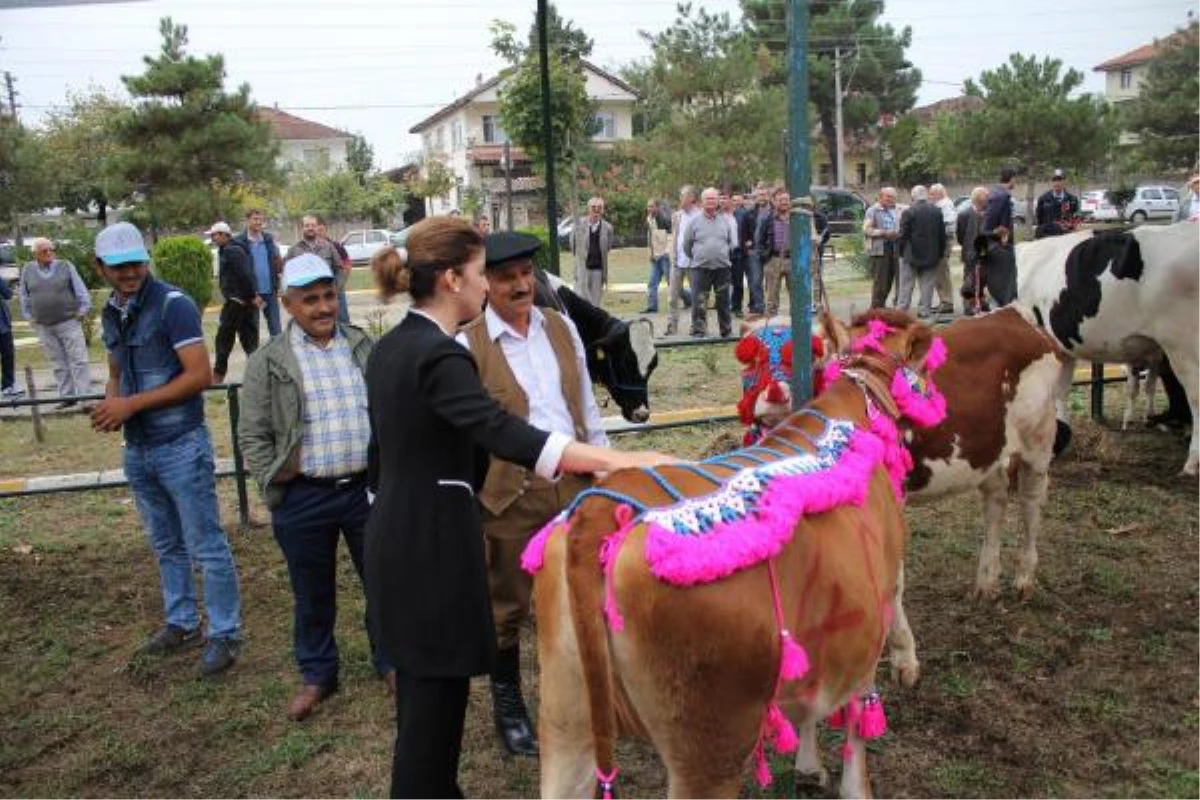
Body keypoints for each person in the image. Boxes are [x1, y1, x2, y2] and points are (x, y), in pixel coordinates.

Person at [365, 216, 673, 799]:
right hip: (430, 551)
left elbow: (386, 458)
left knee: (424, 722)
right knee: (432, 726)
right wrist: (617, 463)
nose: (490, 286)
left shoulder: (392, 348)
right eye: (483, 274)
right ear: (454, 279)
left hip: (398, 542)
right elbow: (505, 432)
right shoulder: (441, 356)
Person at [457, 231, 608, 757]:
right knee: (506, 608)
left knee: (582, 593)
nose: (521, 285)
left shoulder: (561, 327)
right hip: (510, 498)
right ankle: (509, 704)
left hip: (575, 488)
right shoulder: (467, 346)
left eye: (527, 273)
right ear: (484, 285)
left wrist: (606, 472)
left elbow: (585, 408)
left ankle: (578, 692)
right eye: (506, 277)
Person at [238, 253, 394, 721]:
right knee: (312, 591)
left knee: (384, 582)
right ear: (288, 304)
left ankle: (391, 662)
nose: (324, 307)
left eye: (329, 296)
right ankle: (318, 673)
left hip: (367, 492)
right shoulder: (269, 362)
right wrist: (276, 475)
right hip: (303, 496)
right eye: (311, 300)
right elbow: (253, 433)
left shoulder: (363, 345)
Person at [89, 221, 242, 676]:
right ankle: (181, 622)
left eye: (136, 261)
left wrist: (129, 404)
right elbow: (116, 367)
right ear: (101, 269)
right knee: (166, 543)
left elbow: (198, 376)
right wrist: (111, 403)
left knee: (206, 544)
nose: (130, 271)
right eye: (118, 266)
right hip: (139, 448)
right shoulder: (111, 311)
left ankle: (225, 634)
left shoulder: (173, 305)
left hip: (180, 444)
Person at [19, 237, 92, 409]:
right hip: (44, 325)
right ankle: (67, 397)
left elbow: (80, 289)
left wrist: (82, 311)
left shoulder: (65, 266)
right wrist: (29, 316)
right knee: (57, 362)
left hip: (68, 322)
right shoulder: (27, 270)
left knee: (79, 361)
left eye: (51, 249)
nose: (49, 253)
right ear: (35, 253)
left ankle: (86, 399)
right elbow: (24, 295)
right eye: (44, 250)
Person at [208, 221, 261, 385]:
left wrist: (252, 296)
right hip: (238, 302)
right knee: (246, 341)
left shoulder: (233, 251)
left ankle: (219, 375)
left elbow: (245, 275)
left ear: (225, 235)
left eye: (215, 235)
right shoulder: (226, 250)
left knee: (226, 339)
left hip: (238, 302)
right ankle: (258, 375)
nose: (213, 238)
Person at [684, 187, 735, 338]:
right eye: (708, 199)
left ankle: (726, 330)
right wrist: (699, 256)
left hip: (722, 268)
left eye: (714, 199)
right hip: (700, 268)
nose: (711, 202)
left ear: (718, 201)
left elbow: (730, 242)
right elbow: (687, 245)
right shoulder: (694, 222)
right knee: (699, 301)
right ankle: (699, 330)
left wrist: (721, 254)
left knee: (723, 301)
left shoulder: (725, 220)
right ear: (702, 202)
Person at [896, 185, 948, 319]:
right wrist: (940, 253)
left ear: (913, 196)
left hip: (911, 254)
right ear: (926, 195)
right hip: (932, 255)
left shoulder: (908, 212)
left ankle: (902, 310)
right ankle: (925, 311)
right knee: (927, 284)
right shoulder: (937, 211)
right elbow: (942, 235)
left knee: (906, 284)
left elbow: (903, 235)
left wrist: (900, 252)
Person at [233, 208, 284, 337]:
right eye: (255, 219)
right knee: (251, 330)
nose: (258, 222)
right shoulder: (238, 242)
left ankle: (278, 355)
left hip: (269, 292)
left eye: (261, 219)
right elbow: (237, 271)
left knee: (276, 328)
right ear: (247, 220)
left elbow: (276, 262)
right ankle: (254, 356)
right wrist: (248, 293)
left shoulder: (268, 239)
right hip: (250, 295)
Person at [666, 185, 700, 335]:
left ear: (692, 198)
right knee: (672, 297)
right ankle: (671, 327)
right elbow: (675, 236)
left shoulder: (700, 216)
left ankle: (696, 326)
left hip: (694, 263)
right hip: (677, 262)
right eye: (680, 196)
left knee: (697, 297)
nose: (680, 199)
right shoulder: (677, 216)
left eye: (683, 196)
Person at [755, 188, 794, 319]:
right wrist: (764, 257)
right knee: (772, 297)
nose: (784, 202)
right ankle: (771, 324)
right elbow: (759, 240)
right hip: (773, 260)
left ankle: (797, 328)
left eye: (786, 199)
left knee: (796, 296)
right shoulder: (767, 219)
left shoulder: (797, 218)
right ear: (774, 201)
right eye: (780, 200)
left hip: (793, 260)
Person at [983, 167, 1019, 306]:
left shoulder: (999, 194)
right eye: (1015, 179)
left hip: (1000, 246)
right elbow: (989, 225)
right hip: (1000, 247)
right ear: (1011, 179)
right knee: (1001, 285)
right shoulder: (1000, 196)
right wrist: (997, 233)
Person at [570, 196, 612, 306]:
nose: (596, 210)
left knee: (595, 305)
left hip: (598, 270)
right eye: (593, 207)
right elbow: (573, 246)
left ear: (603, 210)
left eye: (599, 207)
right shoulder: (578, 225)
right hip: (582, 269)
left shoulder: (608, 228)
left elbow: (607, 248)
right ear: (588, 208)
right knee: (580, 302)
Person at [863, 188, 901, 309]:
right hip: (881, 249)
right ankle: (876, 308)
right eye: (888, 197)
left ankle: (894, 307)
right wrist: (883, 232)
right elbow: (866, 230)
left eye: (893, 197)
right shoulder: (872, 211)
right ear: (880, 197)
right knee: (881, 281)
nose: (891, 200)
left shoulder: (897, 210)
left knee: (893, 279)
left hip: (896, 247)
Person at [956, 187, 990, 316]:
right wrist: (968, 247)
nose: (986, 204)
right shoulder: (964, 215)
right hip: (970, 253)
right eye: (984, 202)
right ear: (976, 201)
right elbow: (960, 236)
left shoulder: (989, 214)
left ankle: (981, 302)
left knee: (982, 278)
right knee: (969, 280)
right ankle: (968, 305)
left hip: (985, 252)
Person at [316, 217, 354, 325]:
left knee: (343, 319)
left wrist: (340, 284)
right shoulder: (311, 248)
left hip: (336, 288)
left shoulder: (336, 246)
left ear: (326, 230)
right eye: (317, 231)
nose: (319, 233)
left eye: (321, 230)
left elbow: (347, 264)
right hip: (319, 289)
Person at [928, 183, 958, 314]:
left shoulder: (945, 204)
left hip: (943, 243)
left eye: (932, 194)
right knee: (939, 272)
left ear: (940, 193)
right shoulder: (941, 204)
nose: (930, 196)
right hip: (941, 242)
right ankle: (944, 301)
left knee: (941, 272)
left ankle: (947, 302)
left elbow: (949, 225)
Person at [1034, 169, 1080, 239]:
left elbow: (1075, 219)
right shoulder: (1043, 199)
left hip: (1065, 237)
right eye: (1054, 180)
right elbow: (1039, 219)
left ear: (1064, 181)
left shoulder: (1072, 199)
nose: (1057, 183)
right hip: (1047, 236)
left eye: (1060, 180)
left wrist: (1070, 227)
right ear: (1051, 182)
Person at [643, 199, 671, 314]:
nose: (649, 209)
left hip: (665, 256)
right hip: (656, 256)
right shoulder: (649, 219)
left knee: (672, 284)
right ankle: (652, 307)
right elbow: (651, 237)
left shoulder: (664, 219)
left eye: (651, 206)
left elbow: (670, 236)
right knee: (652, 282)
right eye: (648, 206)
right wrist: (651, 252)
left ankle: (688, 299)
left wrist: (667, 252)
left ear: (657, 207)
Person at [0, 276, 20, 400]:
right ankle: (8, 385)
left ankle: (8, 385)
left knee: (7, 355)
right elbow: (7, 294)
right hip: (2, 326)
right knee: (7, 354)